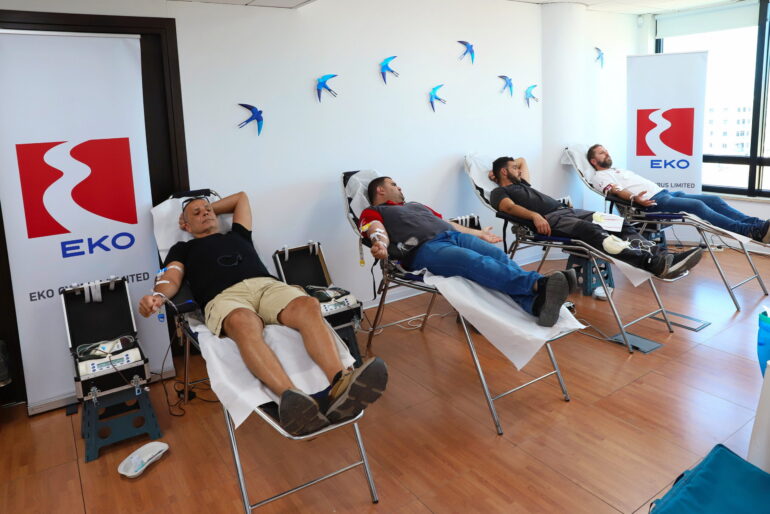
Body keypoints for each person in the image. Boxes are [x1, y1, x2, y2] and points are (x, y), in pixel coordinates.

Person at [138, 192, 387, 435]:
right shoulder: (182, 248)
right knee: (242, 321)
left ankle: (341, 382)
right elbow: (171, 278)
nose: (206, 213)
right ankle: (293, 401)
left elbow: (241, 198)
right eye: (197, 213)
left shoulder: (238, 234)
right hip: (224, 296)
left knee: (308, 305)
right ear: (184, 224)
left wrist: (207, 207)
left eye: (208, 209)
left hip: (267, 286)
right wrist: (158, 296)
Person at [360, 177, 577, 327]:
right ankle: (540, 284)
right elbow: (375, 229)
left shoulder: (416, 205)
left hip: (453, 236)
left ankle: (536, 305)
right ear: (380, 190)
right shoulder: (373, 211)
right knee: (474, 262)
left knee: (498, 257)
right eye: (393, 184)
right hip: (424, 248)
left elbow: (447, 223)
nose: (399, 187)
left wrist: (479, 233)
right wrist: (380, 244)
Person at [489, 156, 703, 280]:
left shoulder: (522, 184)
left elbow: (522, 161)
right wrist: (535, 215)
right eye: (513, 169)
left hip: (568, 211)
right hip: (552, 219)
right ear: (504, 173)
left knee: (617, 222)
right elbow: (508, 207)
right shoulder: (498, 192)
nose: (519, 170)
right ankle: (651, 263)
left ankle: (662, 257)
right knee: (593, 232)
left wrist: (502, 169)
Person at [587, 144, 770, 243]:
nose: (607, 153)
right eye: (602, 153)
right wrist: (635, 198)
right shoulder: (599, 176)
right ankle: (748, 231)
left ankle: (758, 225)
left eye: (606, 150)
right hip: (652, 202)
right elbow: (616, 190)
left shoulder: (617, 170)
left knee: (714, 199)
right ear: (594, 161)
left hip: (666, 194)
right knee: (697, 206)